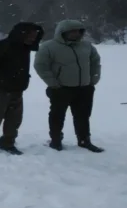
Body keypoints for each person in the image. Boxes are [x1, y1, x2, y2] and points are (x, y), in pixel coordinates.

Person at [33, 20, 103, 152]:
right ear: (62, 32)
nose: (76, 34)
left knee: (83, 116)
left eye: (78, 31)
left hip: (84, 88)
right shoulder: (49, 46)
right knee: (57, 115)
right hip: (60, 88)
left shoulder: (86, 46)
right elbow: (41, 66)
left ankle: (84, 140)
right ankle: (56, 140)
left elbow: (95, 62)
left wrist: (94, 78)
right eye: (72, 31)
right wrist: (53, 82)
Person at [0, 22, 44, 154]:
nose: (33, 38)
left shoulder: (25, 48)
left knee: (14, 118)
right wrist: (0, 79)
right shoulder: (3, 46)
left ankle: (8, 143)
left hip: (16, 89)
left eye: (35, 36)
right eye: (31, 35)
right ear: (22, 34)